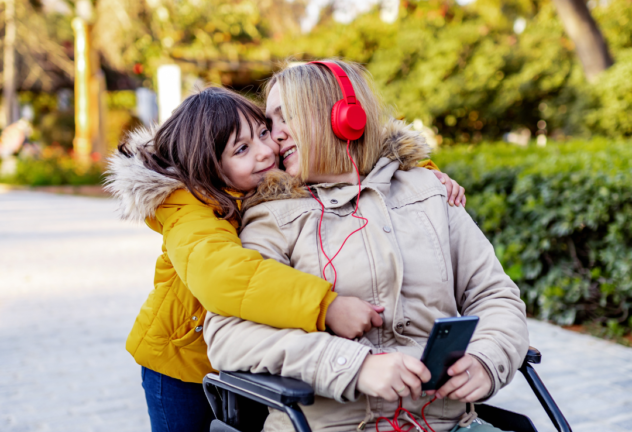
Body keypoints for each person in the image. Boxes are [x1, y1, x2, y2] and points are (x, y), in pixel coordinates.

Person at [106, 85, 464, 432]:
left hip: (250, 359)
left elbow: (347, 164)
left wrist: (422, 176)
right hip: (180, 362)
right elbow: (224, 277)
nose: (265, 150)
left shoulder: (266, 180)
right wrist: (327, 306)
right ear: (208, 165)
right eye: (242, 148)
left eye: (264, 132)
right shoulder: (187, 208)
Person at [203, 60, 529, 432]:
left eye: (285, 117)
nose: (274, 137)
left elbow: (496, 295)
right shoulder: (272, 217)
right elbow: (228, 334)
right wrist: (353, 366)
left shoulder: (429, 193)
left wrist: (488, 359)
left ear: (346, 117)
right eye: (269, 123)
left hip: (448, 422)